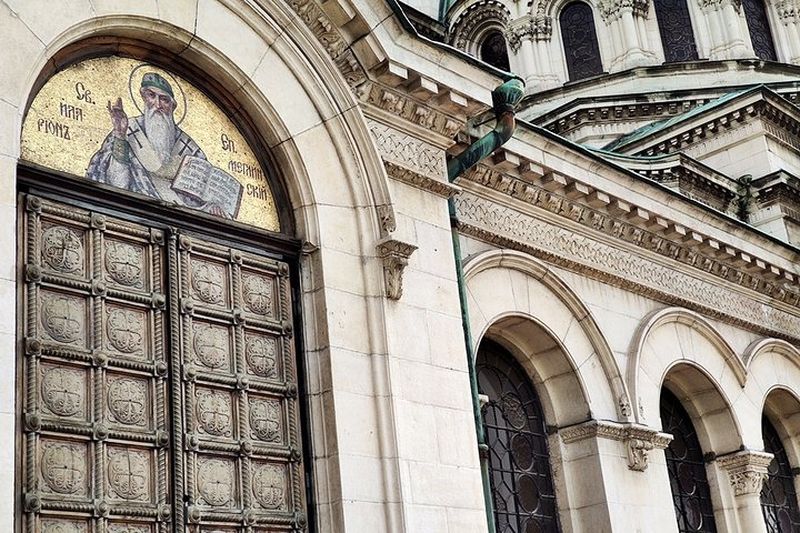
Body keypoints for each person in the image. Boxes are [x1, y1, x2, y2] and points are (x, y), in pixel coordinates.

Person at [87, 72, 218, 212]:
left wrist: (212, 206)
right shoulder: (127, 129)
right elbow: (116, 186)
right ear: (143, 98)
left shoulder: (190, 148)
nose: (158, 104)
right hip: (136, 213)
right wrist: (120, 136)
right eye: (151, 95)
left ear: (172, 106)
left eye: (164, 99)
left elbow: (201, 198)